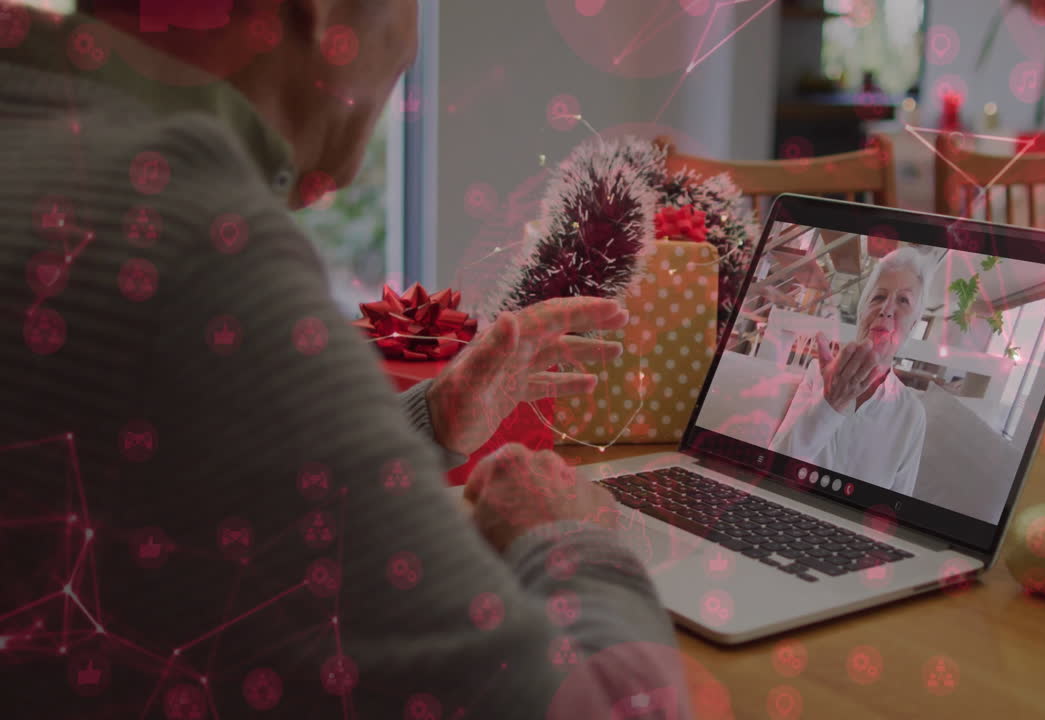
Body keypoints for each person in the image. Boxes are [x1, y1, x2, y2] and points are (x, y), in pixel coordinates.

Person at [0, 1, 689, 717]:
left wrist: (428, 420)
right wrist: (572, 539)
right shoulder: (188, 242)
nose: (409, 48)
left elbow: (173, 471)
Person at [769, 248, 932, 496]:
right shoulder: (818, 374)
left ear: (913, 325)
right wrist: (830, 403)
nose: (886, 309)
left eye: (903, 301)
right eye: (878, 297)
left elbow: (896, 513)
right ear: (861, 312)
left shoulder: (911, 415)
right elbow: (774, 469)